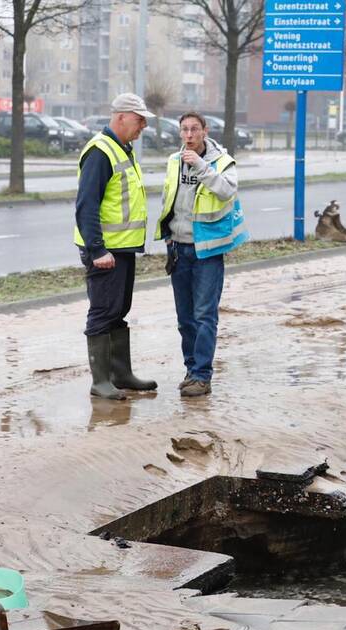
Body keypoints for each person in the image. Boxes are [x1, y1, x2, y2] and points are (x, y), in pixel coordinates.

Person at [156, 112, 247, 398]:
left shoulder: (222, 162)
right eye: (184, 129)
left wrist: (201, 166)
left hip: (207, 250)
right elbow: (168, 198)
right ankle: (191, 370)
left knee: (204, 315)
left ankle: (202, 376)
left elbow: (226, 191)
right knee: (185, 318)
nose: (189, 134)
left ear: (205, 131)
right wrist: (168, 234)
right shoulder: (174, 160)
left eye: (194, 129)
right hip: (178, 248)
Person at [74, 93, 158, 401]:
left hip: (123, 248)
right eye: (139, 120)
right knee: (103, 311)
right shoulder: (100, 152)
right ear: (121, 117)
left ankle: (121, 374)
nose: (143, 126)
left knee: (119, 309)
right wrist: (97, 250)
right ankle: (101, 382)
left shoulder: (123, 148)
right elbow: (87, 205)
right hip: (105, 251)